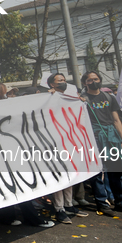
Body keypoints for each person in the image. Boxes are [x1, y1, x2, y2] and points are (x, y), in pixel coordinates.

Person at [80, 71, 122, 216]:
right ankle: (102, 203)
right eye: (89, 80)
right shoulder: (82, 100)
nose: (93, 82)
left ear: (100, 80)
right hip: (93, 137)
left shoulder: (109, 97)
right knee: (98, 172)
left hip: (112, 136)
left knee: (116, 170)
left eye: (96, 79)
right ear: (84, 83)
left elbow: (116, 120)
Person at [46, 73, 89, 223]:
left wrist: (79, 102)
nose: (63, 83)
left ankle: (69, 205)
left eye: (64, 80)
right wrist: (47, 96)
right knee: (59, 175)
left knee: (70, 174)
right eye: (60, 81)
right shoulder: (47, 98)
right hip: (54, 142)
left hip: (69, 141)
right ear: (52, 84)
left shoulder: (70, 97)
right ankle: (59, 209)